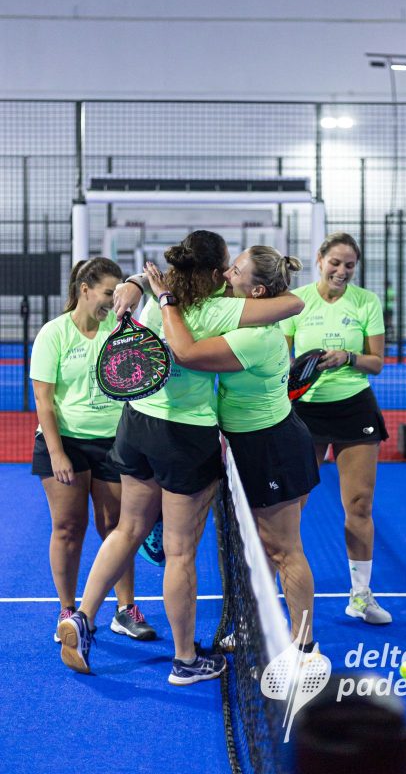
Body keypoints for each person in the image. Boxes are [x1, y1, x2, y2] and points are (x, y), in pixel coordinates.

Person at [57, 231, 304, 681]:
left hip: (136, 424)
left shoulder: (154, 299)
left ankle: (80, 617)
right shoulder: (225, 309)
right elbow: (292, 305)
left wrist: (139, 281)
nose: (230, 275)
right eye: (226, 267)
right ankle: (186, 660)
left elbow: (158, 287)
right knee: (179, 552)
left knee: (127, 528)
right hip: (185, 437)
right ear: (214, 273)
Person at [144, 247, 320, 648]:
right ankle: (255, 626)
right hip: (248, 443)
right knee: (255, 549)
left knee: (284, 550)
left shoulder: (254, 337)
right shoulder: (235, 310)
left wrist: (164, 300)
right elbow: (189, 286)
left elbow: (185, 352)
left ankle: (304, 644)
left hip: (272, 447)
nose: (225, 273)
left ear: (256, 291)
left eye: (235, 270)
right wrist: (136, 283)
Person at [30, 257, 156, 644]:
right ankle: (68, 611)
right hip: (64, 442)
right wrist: (57, 454)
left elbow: (155, 284)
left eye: (117, 293)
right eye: (107, 293)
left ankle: (124, 609)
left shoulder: (119, 328)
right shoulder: (54, 334)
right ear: (85, 290)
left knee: (117, 528)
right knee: (69, 528)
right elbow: (44, 399)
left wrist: (135, 284)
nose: (112, 300)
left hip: (116, 442)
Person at [281, 232, 392, 625]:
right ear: (320, 259)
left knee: (359, 505)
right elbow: (283, 356)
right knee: (294, 504)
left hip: (354, 408)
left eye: (349, 265)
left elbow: (377, 362)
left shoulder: (366, 302)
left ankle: (360, 595)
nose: (341, 271)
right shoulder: (298, 302)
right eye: (336, 262)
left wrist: (348, 356)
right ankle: (287, 586)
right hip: (305, 411)